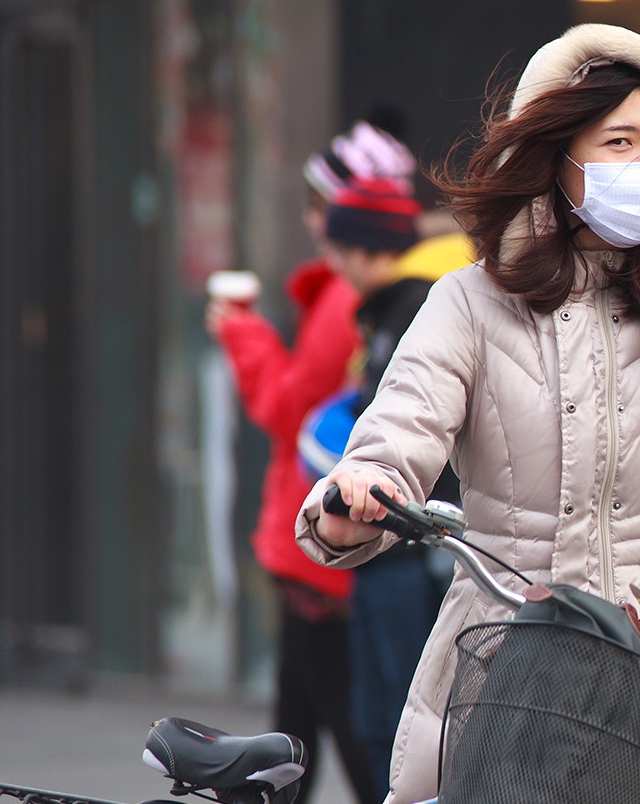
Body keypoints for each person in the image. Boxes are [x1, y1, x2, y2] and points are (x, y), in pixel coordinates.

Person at [295, 24, 640, 804]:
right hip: (506, 672)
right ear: (556, 164)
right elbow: (394, 441)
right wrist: (355, 495)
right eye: (620, 142)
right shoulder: (469, 301)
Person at [204, 119, 418, 804]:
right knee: (297, 729)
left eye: (320, 204)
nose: (312, 220)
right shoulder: (352, 295)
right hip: (317, 542)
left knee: (347, 735)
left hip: (323, 545)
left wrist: (240, 332)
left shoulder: (343, 301)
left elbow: (284, 406)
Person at [318, 174, 474, 799]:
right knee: (382, 724)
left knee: (404, 727)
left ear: (367, 250)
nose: (332, 265)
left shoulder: (421, 303)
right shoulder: (406, 302)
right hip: (378, 528)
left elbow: (416, 424)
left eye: (339, 251)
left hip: (413, 546)